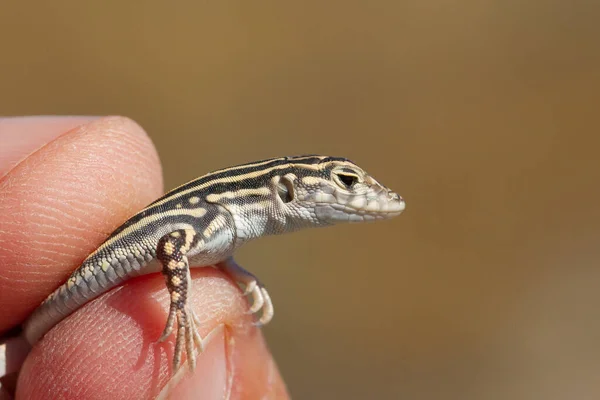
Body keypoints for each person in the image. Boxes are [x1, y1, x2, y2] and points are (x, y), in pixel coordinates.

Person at [0, 116, 290, 399]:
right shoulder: (218, 212)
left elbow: (210, 248)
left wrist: (237, 271)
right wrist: (179, 304)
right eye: (339, 181)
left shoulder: (222, 215)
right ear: (287, 189)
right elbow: (171, 246)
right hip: (54, 301)